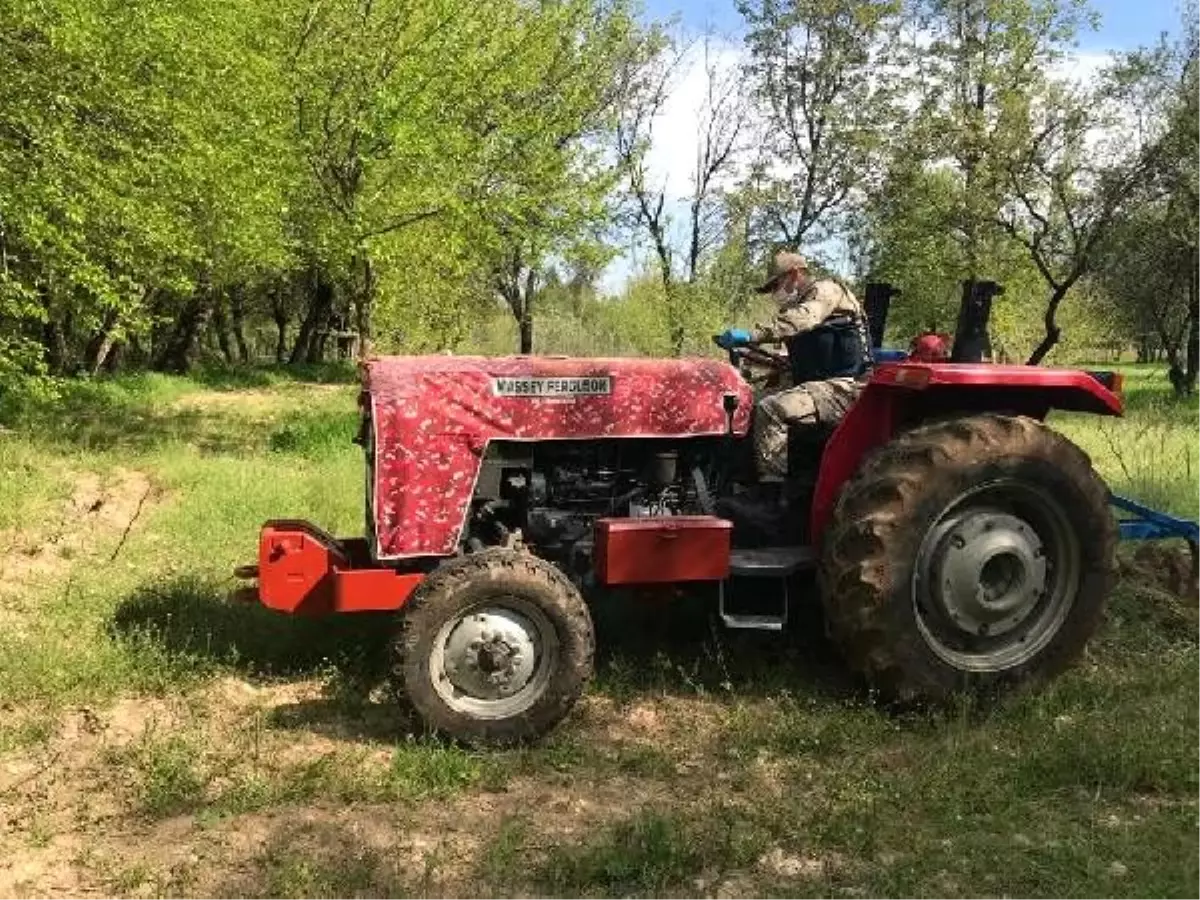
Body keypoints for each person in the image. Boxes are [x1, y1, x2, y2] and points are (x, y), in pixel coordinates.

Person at [714, 252, 871, 530]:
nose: (775, 293)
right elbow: (796, 357)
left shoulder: (826, 291)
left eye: (776, 285)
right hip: (819, 387)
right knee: (748, 404)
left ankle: (771, 500)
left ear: (795, 274)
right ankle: (738, 486)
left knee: (772, 409)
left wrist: (752, 335)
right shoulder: (799, 307)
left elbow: (804, 320)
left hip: (846, 387)